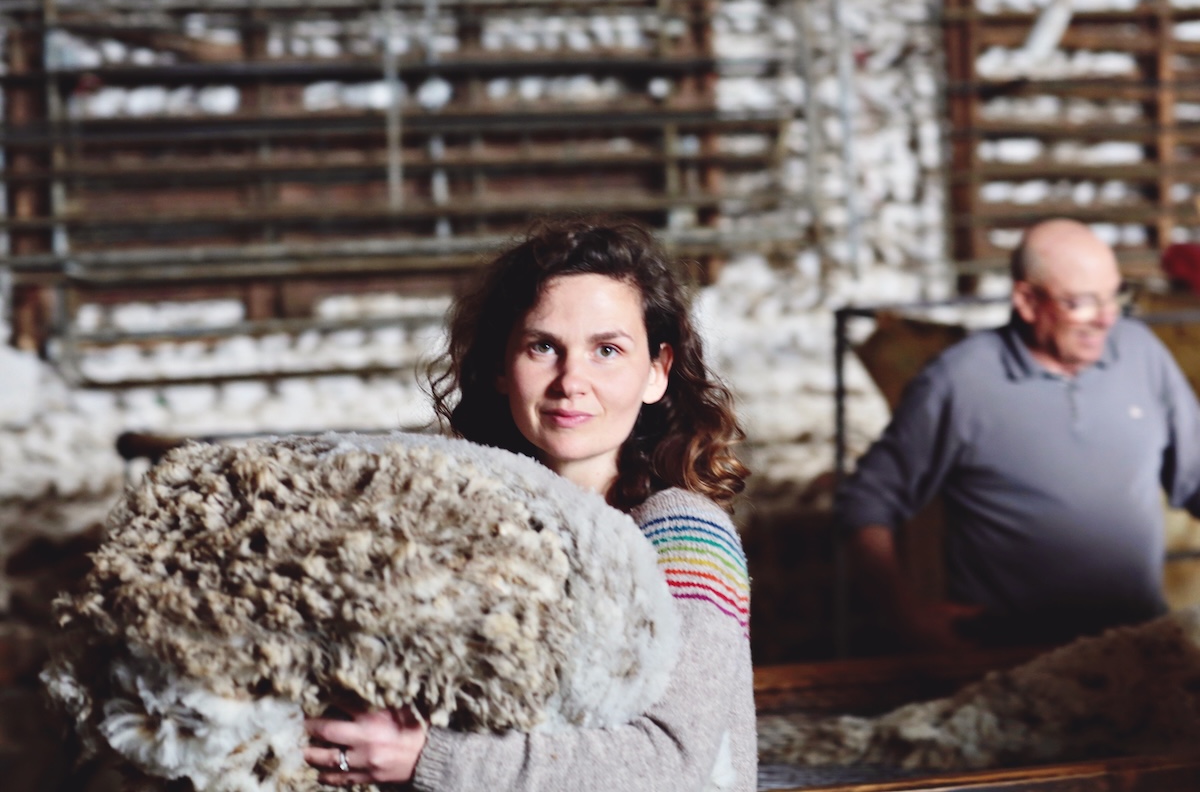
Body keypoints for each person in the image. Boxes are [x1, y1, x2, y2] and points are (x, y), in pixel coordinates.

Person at [303, 217, 755, 790]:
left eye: (608, 350)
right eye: (544, 346)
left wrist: (429, 759)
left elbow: (671, 763)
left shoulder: (683, 531)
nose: (571, 380)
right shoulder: (476, 528)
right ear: (499, 366)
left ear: (656, 373)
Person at [836, 218, 1200, 652]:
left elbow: (1195, 476)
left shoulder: (1141, 353)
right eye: (1082, 302)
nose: (1106, 319)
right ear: (1027, 300)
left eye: (1115, 296)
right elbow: (864, 502)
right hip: (1011, 656)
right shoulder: (960, 381)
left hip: (1135, 644)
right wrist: (908, 617)